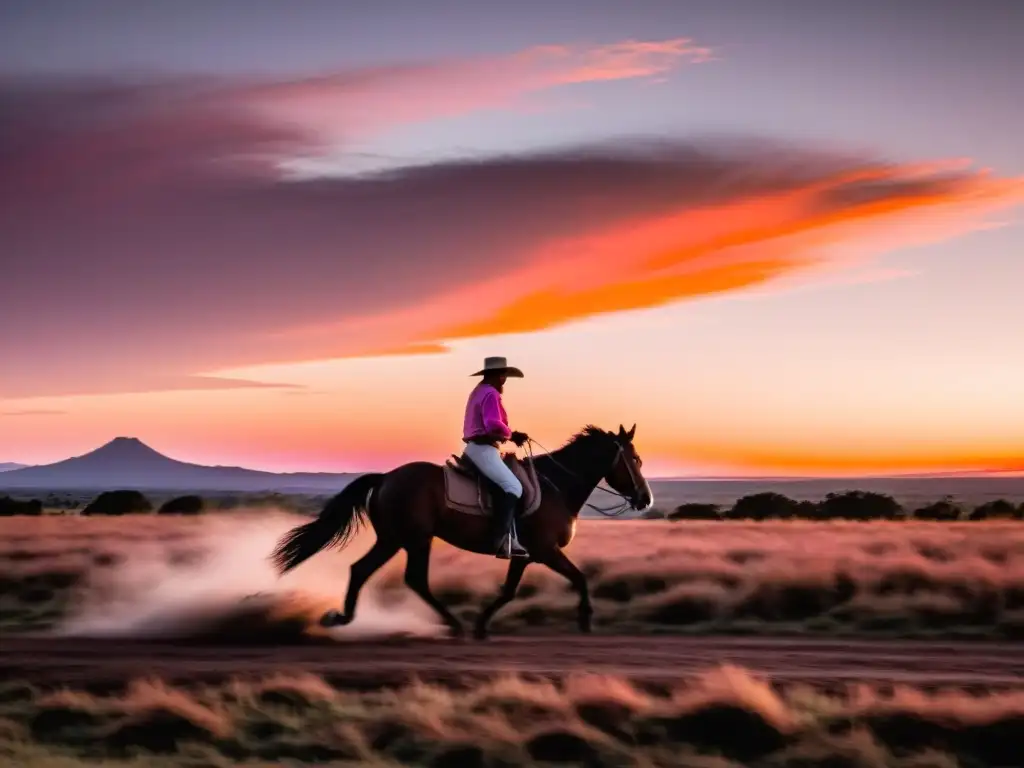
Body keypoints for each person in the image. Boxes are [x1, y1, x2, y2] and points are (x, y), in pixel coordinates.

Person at [462, 356, 529, 558]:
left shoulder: (478, 391)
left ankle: (512, 540)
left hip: (477, 448)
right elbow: (492, 424)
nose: (504, 380)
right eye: (502, 375)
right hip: (484, 449)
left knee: (506, 485)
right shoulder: (491, 393)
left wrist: (508, 434)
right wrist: (511, 434)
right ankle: (501, 540)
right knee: (514, 487)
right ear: (494, 375)